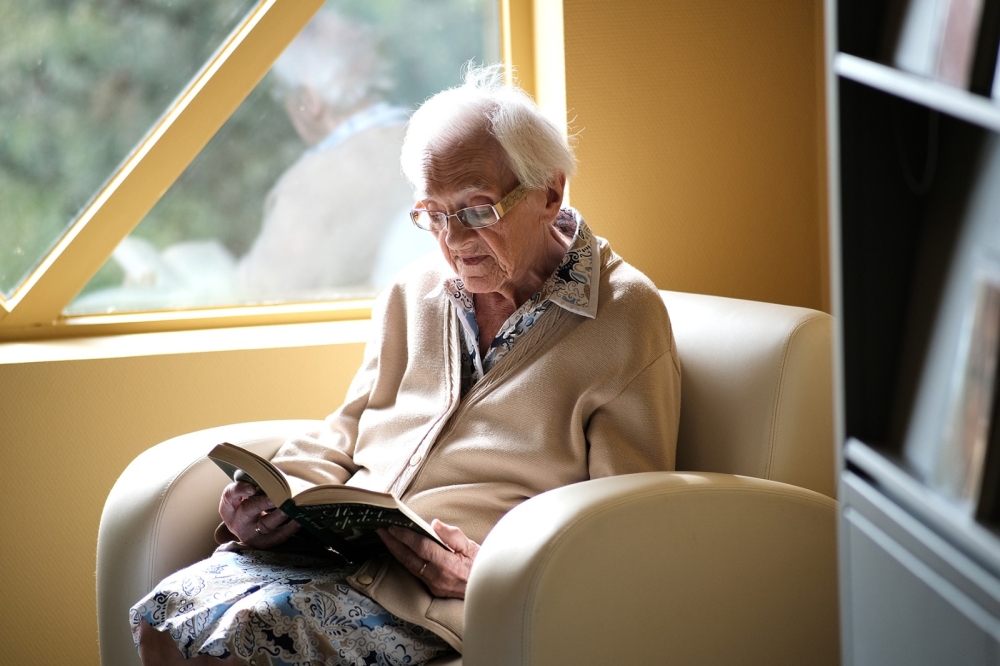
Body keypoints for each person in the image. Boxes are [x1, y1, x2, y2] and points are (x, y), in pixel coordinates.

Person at [131, 64, 681, 666]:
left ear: (550, 192)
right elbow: (347, 427)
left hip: (443, 594)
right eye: (432, 215)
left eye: (476, 209)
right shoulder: (413, 291)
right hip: (326, 561)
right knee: (162, 620)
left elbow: (623, 523)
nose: (454, 240)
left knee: (241, 642)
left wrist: (492, 571)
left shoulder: (624, 315)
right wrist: (275, 500)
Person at [235, 9, 435, 300]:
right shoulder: (441, 145)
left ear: (308, 102)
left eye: (285, 97)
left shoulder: (307, 189)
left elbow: (256, 300)